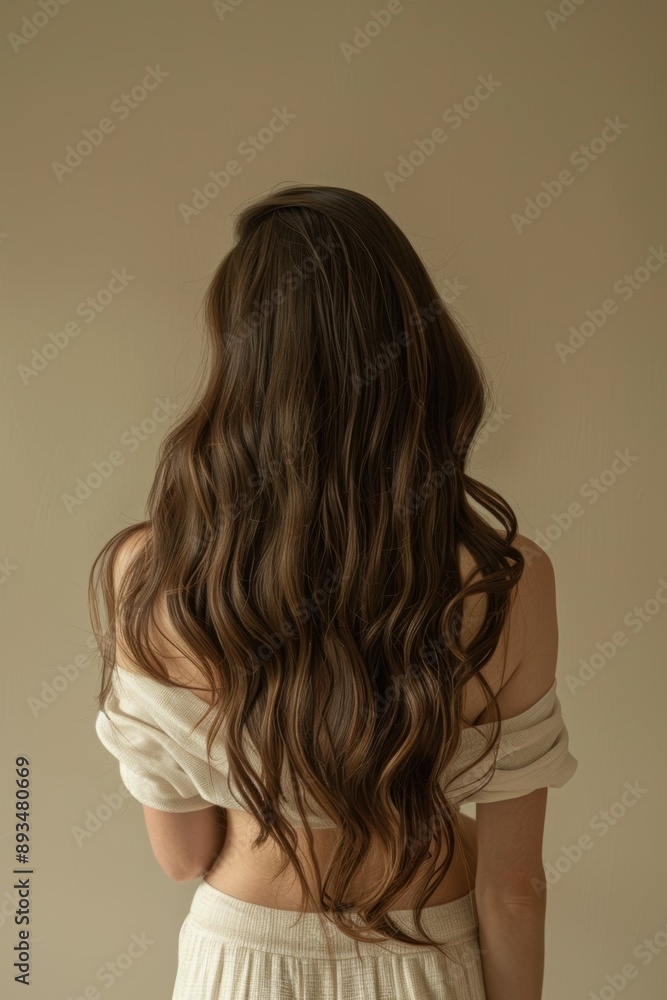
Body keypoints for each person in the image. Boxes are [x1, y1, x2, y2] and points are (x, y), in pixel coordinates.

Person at [90, 183, 578, 1000]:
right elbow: (513, 888)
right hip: (428, 950)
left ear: (240, 359)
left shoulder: (149, 572)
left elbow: (179, 858)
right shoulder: (505, 580)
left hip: (236, 962)